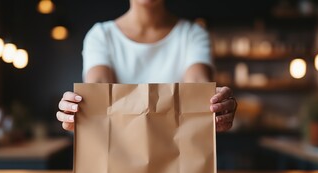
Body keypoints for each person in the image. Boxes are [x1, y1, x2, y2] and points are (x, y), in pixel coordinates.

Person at [57, 0, 237, 132]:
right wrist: (79, 111)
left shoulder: (193, 34)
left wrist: (215, 106)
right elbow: (97, 88)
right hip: (118, 157)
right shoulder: (101, 35)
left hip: (178, 160)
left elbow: (198, 84)